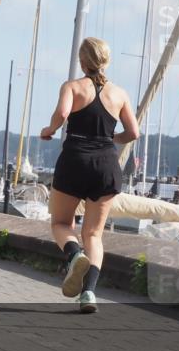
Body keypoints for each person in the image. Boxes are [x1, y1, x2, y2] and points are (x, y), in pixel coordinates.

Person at [40, 37, 138, 313]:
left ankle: (74, 256)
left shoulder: (72, 86)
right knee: (94, 234)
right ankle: (89, 294)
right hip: (106, 164)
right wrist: (109, 138)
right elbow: (133, 133)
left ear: (82, 62)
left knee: (61, 223)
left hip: (74, 160)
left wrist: (49, 129)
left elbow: (62, 113)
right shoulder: (119, 94)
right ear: (106, 61)